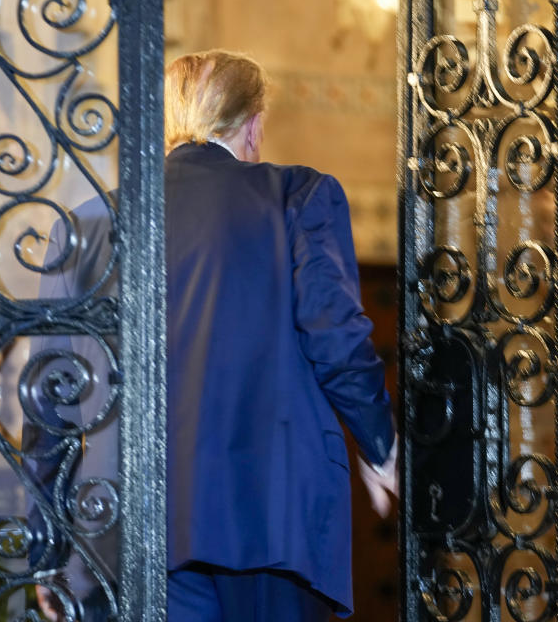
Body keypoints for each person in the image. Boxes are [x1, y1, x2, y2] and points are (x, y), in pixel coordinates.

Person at [163, 50, 397, 621]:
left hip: (149, 519)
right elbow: (335, 336)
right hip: (274, 517)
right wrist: (379, 445)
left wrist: (64, 552)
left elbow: (66, 375)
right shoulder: (297, 195)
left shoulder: (110, 213)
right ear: (253, 124)